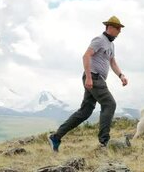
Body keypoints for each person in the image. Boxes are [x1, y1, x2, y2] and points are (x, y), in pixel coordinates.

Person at [49, 16, 128, 151]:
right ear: (110, 27)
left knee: (85, 112)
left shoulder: (111, 44)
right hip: (94, 78)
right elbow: (86, 56)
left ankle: (56, 137)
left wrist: (121, 75)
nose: (120, 31)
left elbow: (112, 62)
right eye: (118, 28)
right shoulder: (99, 40)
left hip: (97, 79)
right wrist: (89, 77)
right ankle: (104, 142)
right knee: (109, 104)